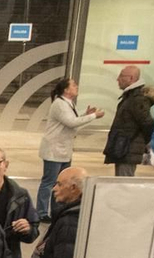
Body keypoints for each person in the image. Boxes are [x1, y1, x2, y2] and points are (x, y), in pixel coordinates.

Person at [37, 76, 105, 213]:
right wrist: (93, 116)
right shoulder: (59, 104)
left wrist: (85, 114)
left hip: (63, 149)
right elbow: (71, 122)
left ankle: (59, 208)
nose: (76, 87)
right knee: (50, 182)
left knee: (63, 181)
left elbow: (72, 121)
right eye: (74, 85)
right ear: (66, 90)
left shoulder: (68, 103)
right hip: (54, 149)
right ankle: (42, 211)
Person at [104, 67, 154, 177]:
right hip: (123, 147)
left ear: (131, 78)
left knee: (124, 181)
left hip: (127, 148)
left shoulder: (137, 99)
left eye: (121, 76)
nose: (118, 79)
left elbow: (148, 123)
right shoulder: (131, 96)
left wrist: (143, 141)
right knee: (121, 179)